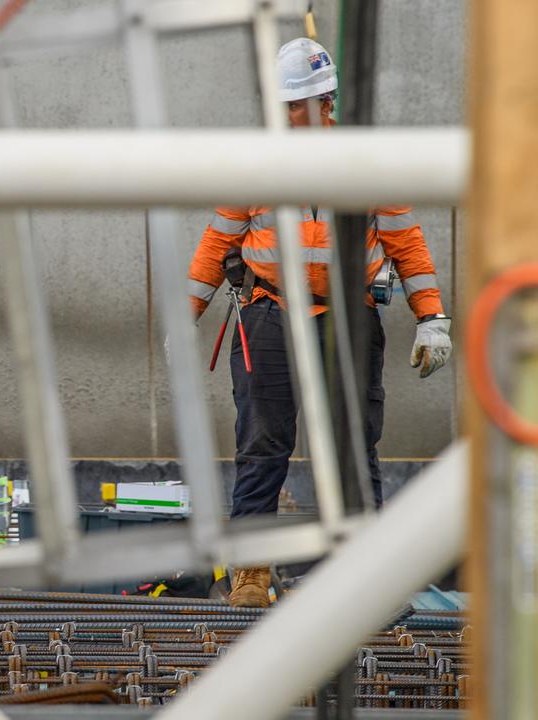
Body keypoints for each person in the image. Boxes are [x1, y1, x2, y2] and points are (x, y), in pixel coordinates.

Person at [184, 38, 452, 608]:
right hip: (268, 315)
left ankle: (366, 575)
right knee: (262, 443)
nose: (280, 117)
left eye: (291, 106)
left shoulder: (368, 164)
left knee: (354, 447)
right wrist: (187, 316)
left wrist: (433, 319)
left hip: (348, 320)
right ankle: (251, 574)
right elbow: (217, 242)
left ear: (322, 104)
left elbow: (407, 243)